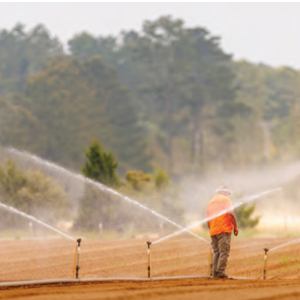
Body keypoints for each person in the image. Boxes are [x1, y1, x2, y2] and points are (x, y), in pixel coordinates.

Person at [206, 185, 238, 279]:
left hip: (213, 231)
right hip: (224, 230)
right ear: (224, 192)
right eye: (228, 193)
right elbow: (231, 214)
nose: (228, 195)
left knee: (216, 252)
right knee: (224, 252)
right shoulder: (225, 200)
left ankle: (215, 273)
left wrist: (212, 229)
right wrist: (235, 227)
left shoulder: (211, 202)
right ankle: (221, 272)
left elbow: (208, 220)